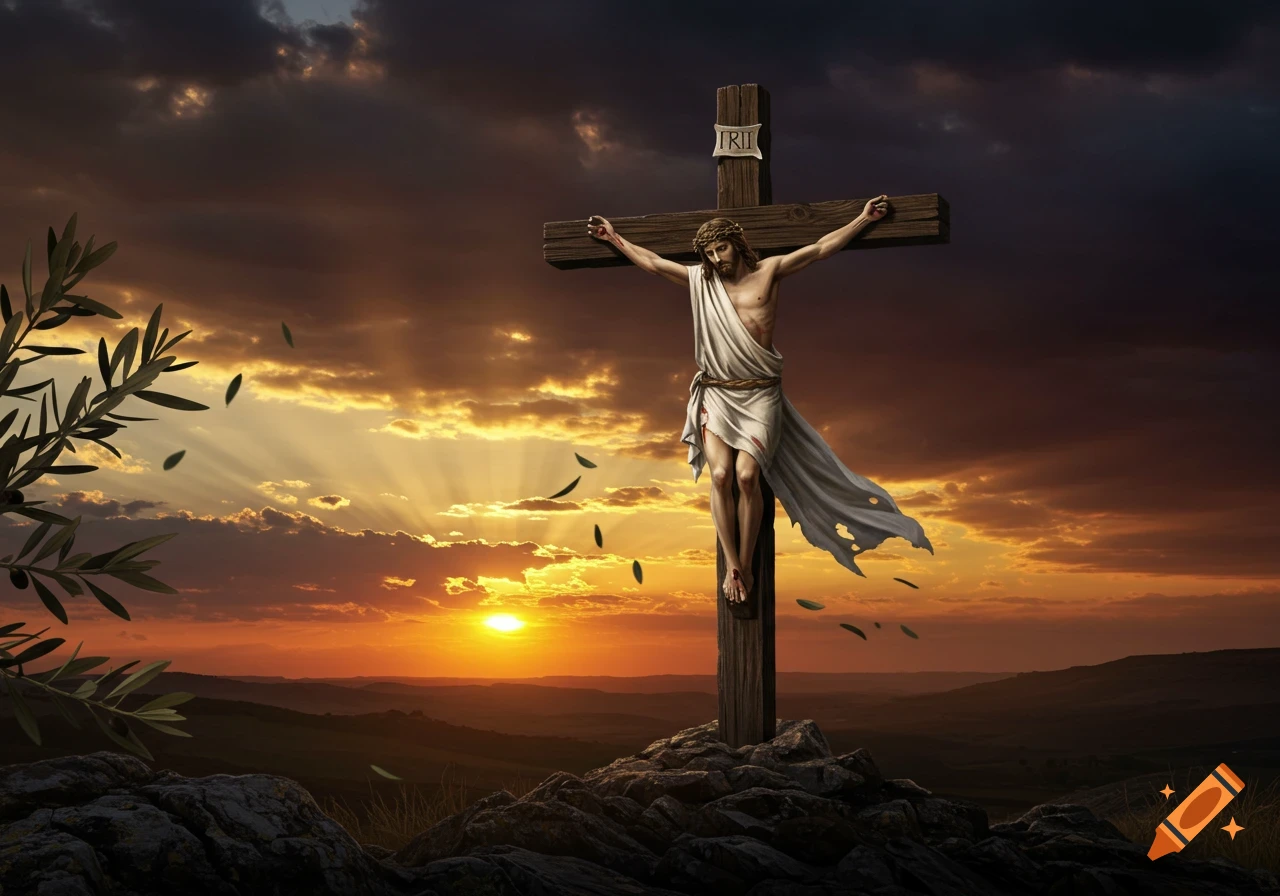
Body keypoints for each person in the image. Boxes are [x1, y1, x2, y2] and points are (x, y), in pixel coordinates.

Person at [586, 197, 933, 605]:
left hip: (760, 393)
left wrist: (862, 219)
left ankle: (747, 563)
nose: (717, 259)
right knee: (720, 477)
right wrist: (614, 238)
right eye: (710, 253)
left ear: (738, 243)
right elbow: (654, 264)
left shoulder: (769, 272)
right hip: (716, 391)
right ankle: (733, 565)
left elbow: (820, 248)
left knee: (747, 476)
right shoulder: (703, 282)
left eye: (723, 249)